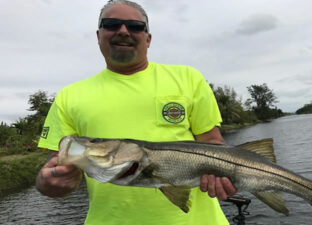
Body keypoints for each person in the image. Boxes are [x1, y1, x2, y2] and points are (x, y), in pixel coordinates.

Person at [35, 0, 236, 224]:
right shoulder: (69, 96)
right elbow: (56, 171)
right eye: (112, 24)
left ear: (148, 38)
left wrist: (223, 176)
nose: (123, 31)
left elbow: (213, 144)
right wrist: (49, 182)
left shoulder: (188, 78)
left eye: (135, 26)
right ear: (99, 35)